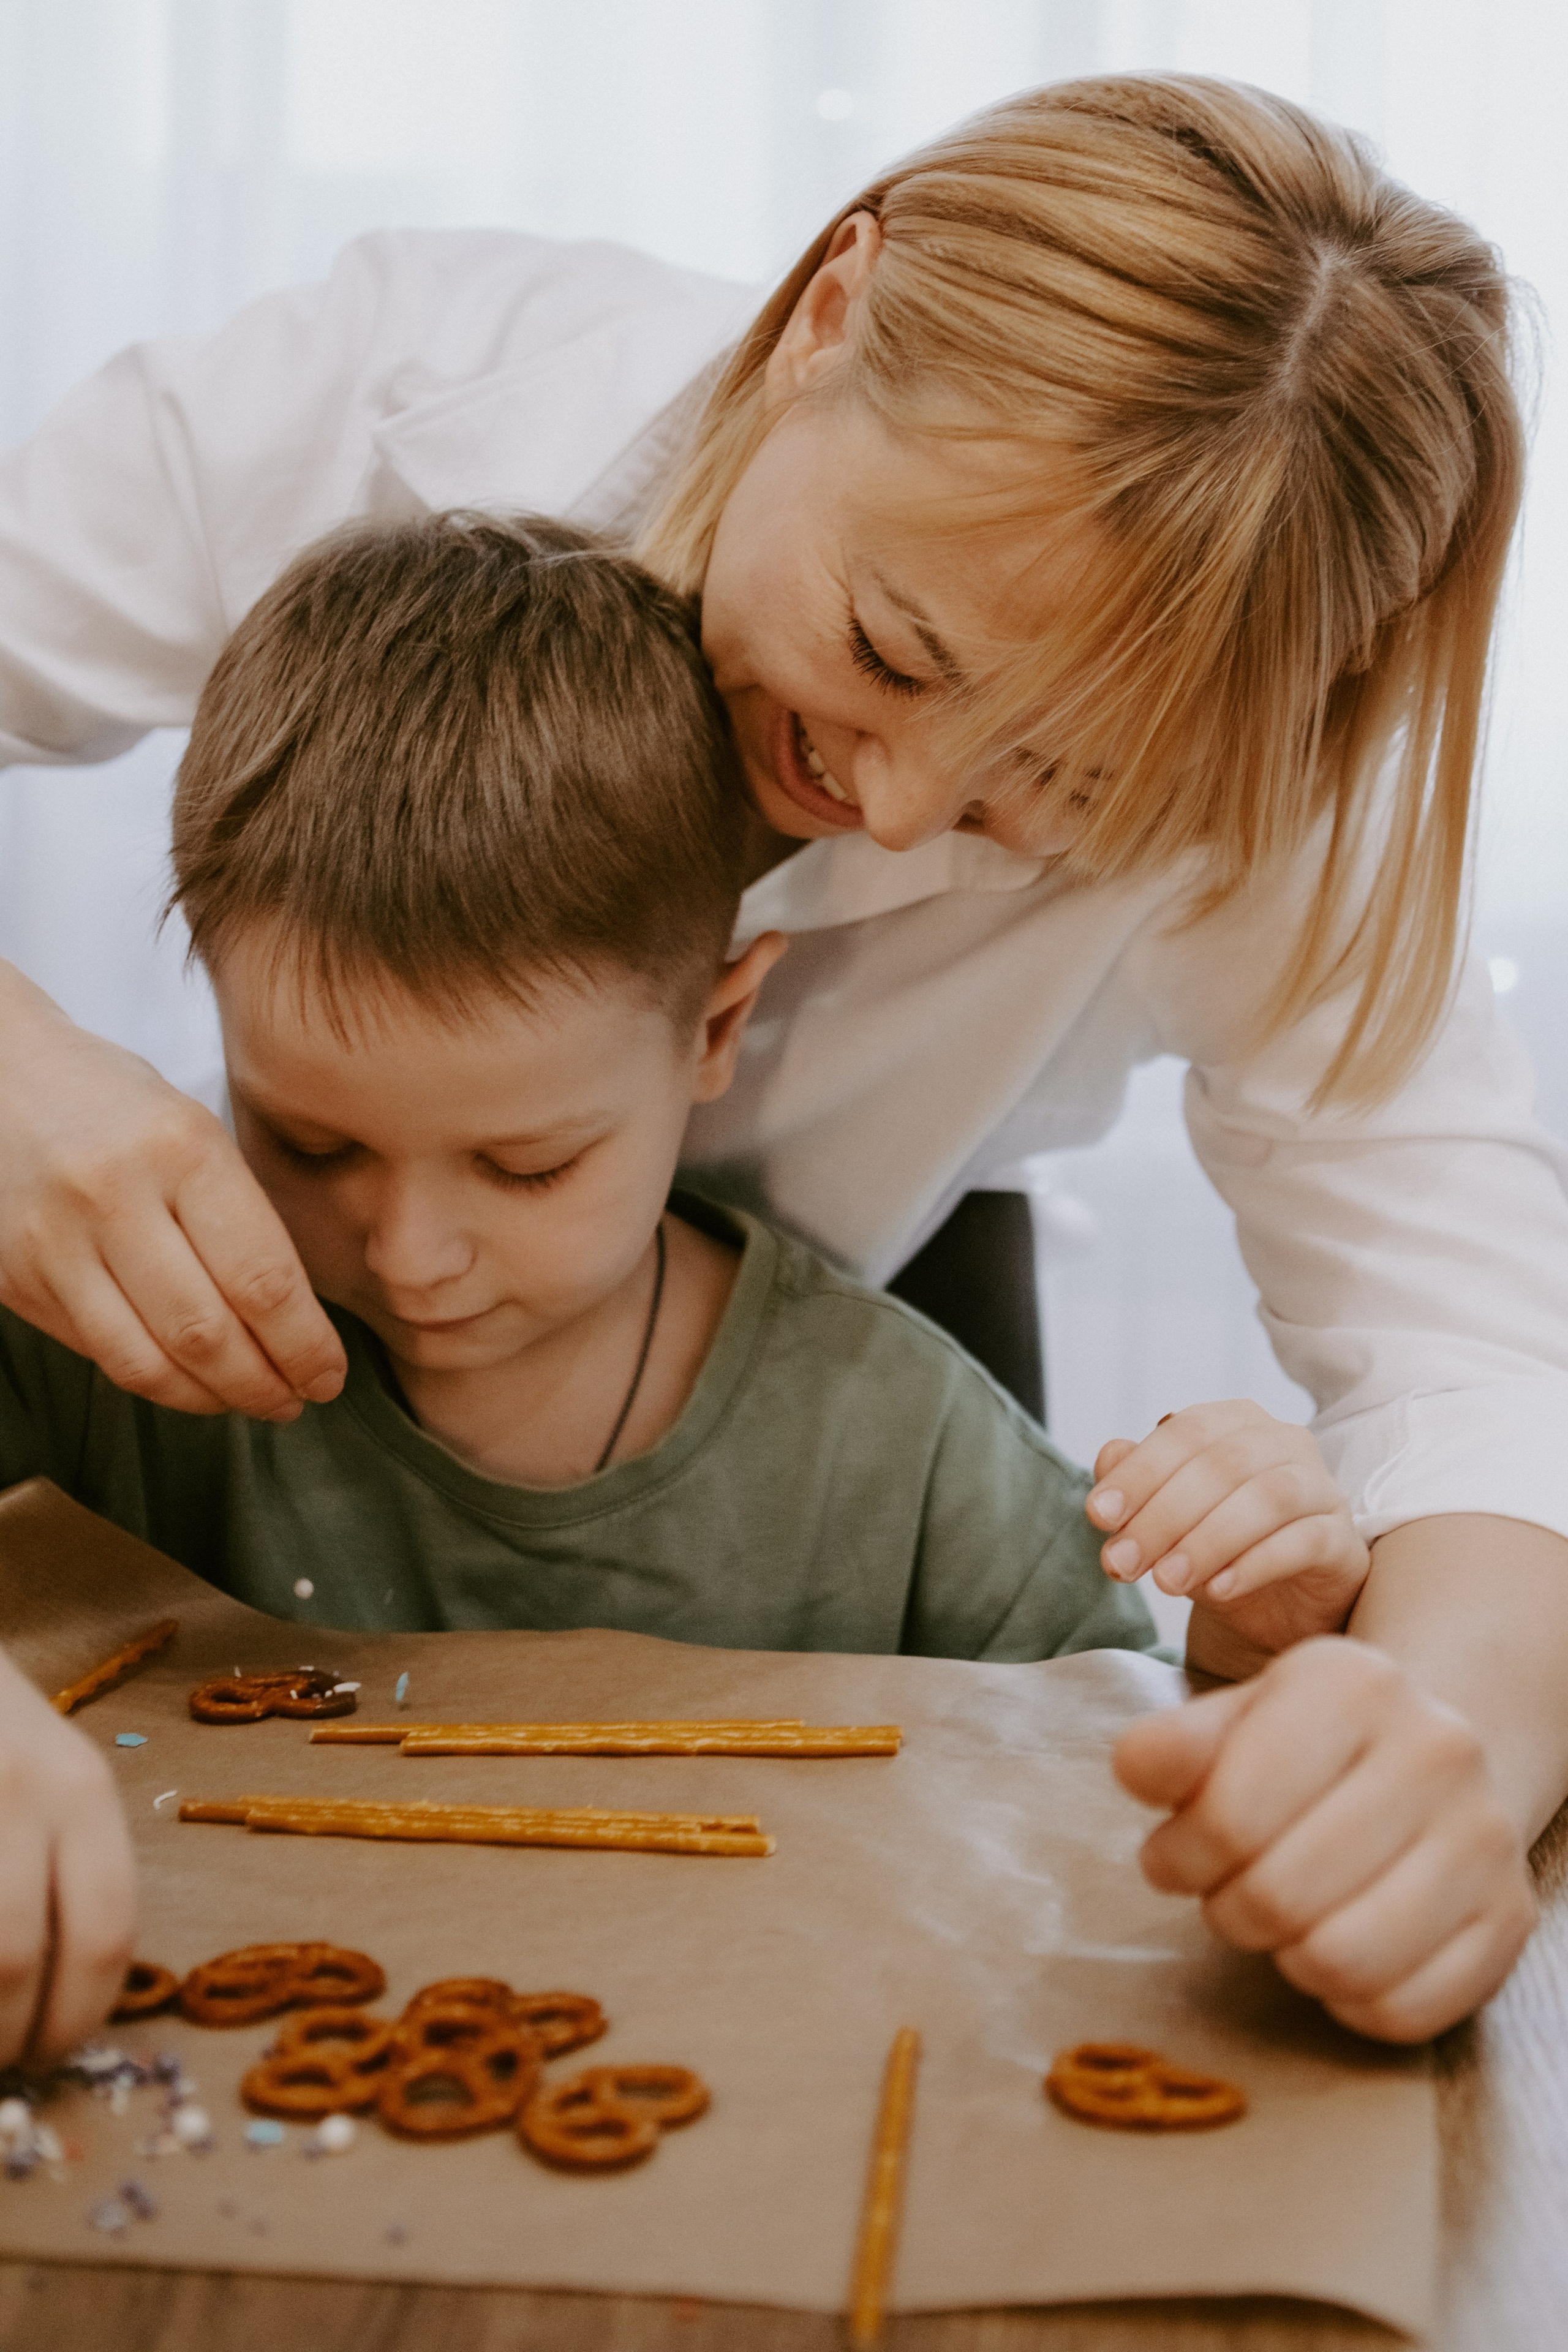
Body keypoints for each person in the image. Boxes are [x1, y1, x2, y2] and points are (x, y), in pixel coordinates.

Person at [0, 77, 1559, 2052]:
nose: (896, 816)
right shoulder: (384, 391)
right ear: (835, 303)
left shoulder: (1244, 762)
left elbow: (1475, 1365)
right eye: (895, 648)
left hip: (830, 1370)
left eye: (1058, 791)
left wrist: (1438, 1765)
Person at [0, 508, 1372, 2065]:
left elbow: (1123, 1791)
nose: (405, 1253)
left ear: (713, 1032)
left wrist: (1251, 1648)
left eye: (525, 1167)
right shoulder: (96, 1333)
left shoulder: (896, 1448)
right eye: (306, 1141)